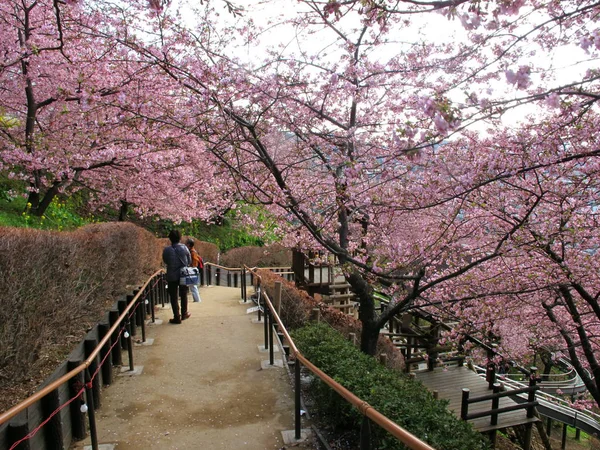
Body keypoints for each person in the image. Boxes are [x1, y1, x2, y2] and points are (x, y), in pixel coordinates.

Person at [162, 229, 191, 324]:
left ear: (170, 238)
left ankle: (176, 317)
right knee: (183, 294)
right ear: (180, 238)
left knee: (173, 296)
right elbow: (189, 261)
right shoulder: (185, 248)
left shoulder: (167, 250)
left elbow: (165, 261)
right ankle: (184, 313)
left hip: (171, 275)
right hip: (183, 274)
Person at [186, 238, 202, 303]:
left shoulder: (192, 252)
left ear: (189, 245)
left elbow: (194, 261)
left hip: (192, 269)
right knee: (193, 286)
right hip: (194, 269)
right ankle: (197, 299)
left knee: (193, 286)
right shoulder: (193, 251)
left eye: (187, 244)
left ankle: (197, 300)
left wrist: (190, 265)